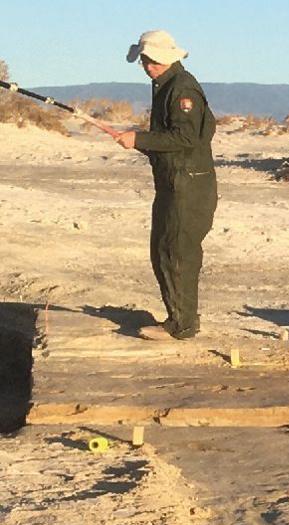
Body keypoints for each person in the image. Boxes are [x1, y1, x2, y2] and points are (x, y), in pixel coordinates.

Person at [112, 30, 217, 342]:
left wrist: (140, 139)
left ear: (169, 57)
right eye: (144, 60)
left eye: (153, 60)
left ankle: (181, 325)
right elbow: (171, 138)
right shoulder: (165, 85)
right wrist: (138, 140)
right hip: (173, 183)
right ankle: (179, 317)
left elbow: (188, 138)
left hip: (189, 186)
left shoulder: (183, 88)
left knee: (177, 252)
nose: (148, 66)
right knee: (163, 250)